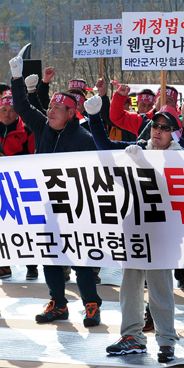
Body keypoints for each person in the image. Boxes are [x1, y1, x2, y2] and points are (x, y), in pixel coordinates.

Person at [85, 95, 183, 363]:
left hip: (163, 233)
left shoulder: (181, 156)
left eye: (164, 127)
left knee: (160, 289)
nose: (158, 131)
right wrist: (94, 117)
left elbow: (170, 189)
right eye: (155, 126)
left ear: (174, 132)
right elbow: (105, 146)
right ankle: (132, 337)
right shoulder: (139, 147)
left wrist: (144, 165)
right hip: (134, 229)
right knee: (129, 286)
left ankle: (166, 340)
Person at [9, 56, 102, 327]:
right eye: (49, 106)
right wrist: (16, 79)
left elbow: (97, 173)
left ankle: (91, 305)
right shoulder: (42, 127)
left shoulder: (84, 139)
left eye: (57, 108)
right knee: (50, 255)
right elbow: (22, 107)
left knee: (80, 258)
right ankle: (58, 304)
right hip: (46, 206)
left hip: (76, 208)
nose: (50, 111)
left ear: (72, 113)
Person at [0, 91, 37, 280]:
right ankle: (4, 265)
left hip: (21, 184)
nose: (7, 114)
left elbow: (33, 157)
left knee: (24, 225)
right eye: (3, 109)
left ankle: (32, 265)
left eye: (11, 110)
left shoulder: (27, 130)